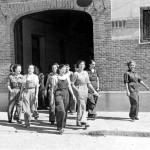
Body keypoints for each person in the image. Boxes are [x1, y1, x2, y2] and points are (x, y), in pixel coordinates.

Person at [71, 60, 99, 127]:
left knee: (82, 105)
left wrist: (94, 91)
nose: (82, 66)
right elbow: (72, 84)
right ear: (78, 65)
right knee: (82, 105)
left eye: (83, 64)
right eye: (80, 64)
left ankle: (78, 121)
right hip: (78, 89)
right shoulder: (75, 74)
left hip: (85, 89)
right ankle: (83, 120)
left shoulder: (86, 73)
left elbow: (88, 83)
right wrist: (77, 91)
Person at [51, 64, 76, 134]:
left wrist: (73, 95)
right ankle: (60, 126)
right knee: (60, 110)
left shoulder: (67, 77)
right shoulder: (55, 77)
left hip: (66, 94)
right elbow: (53, 89)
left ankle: (61, 127)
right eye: (62, 69)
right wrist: (52, 99)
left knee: (65, 111)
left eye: (65, 69)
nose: (64, 71)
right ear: (59, 70)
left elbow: (69, 87)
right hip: (58, 94)